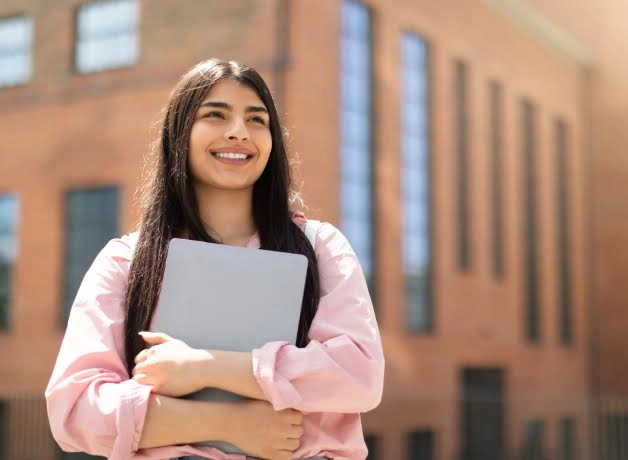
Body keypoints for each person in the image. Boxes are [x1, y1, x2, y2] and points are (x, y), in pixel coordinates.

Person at [45, 58, 384, 460]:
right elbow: (75, 410)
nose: (239, 132)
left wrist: (203, 368)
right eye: (215, 115)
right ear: (179, 134)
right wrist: (228, 423)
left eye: (257, 120)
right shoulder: (126, 262)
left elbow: (359, 377)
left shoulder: (320, 247)